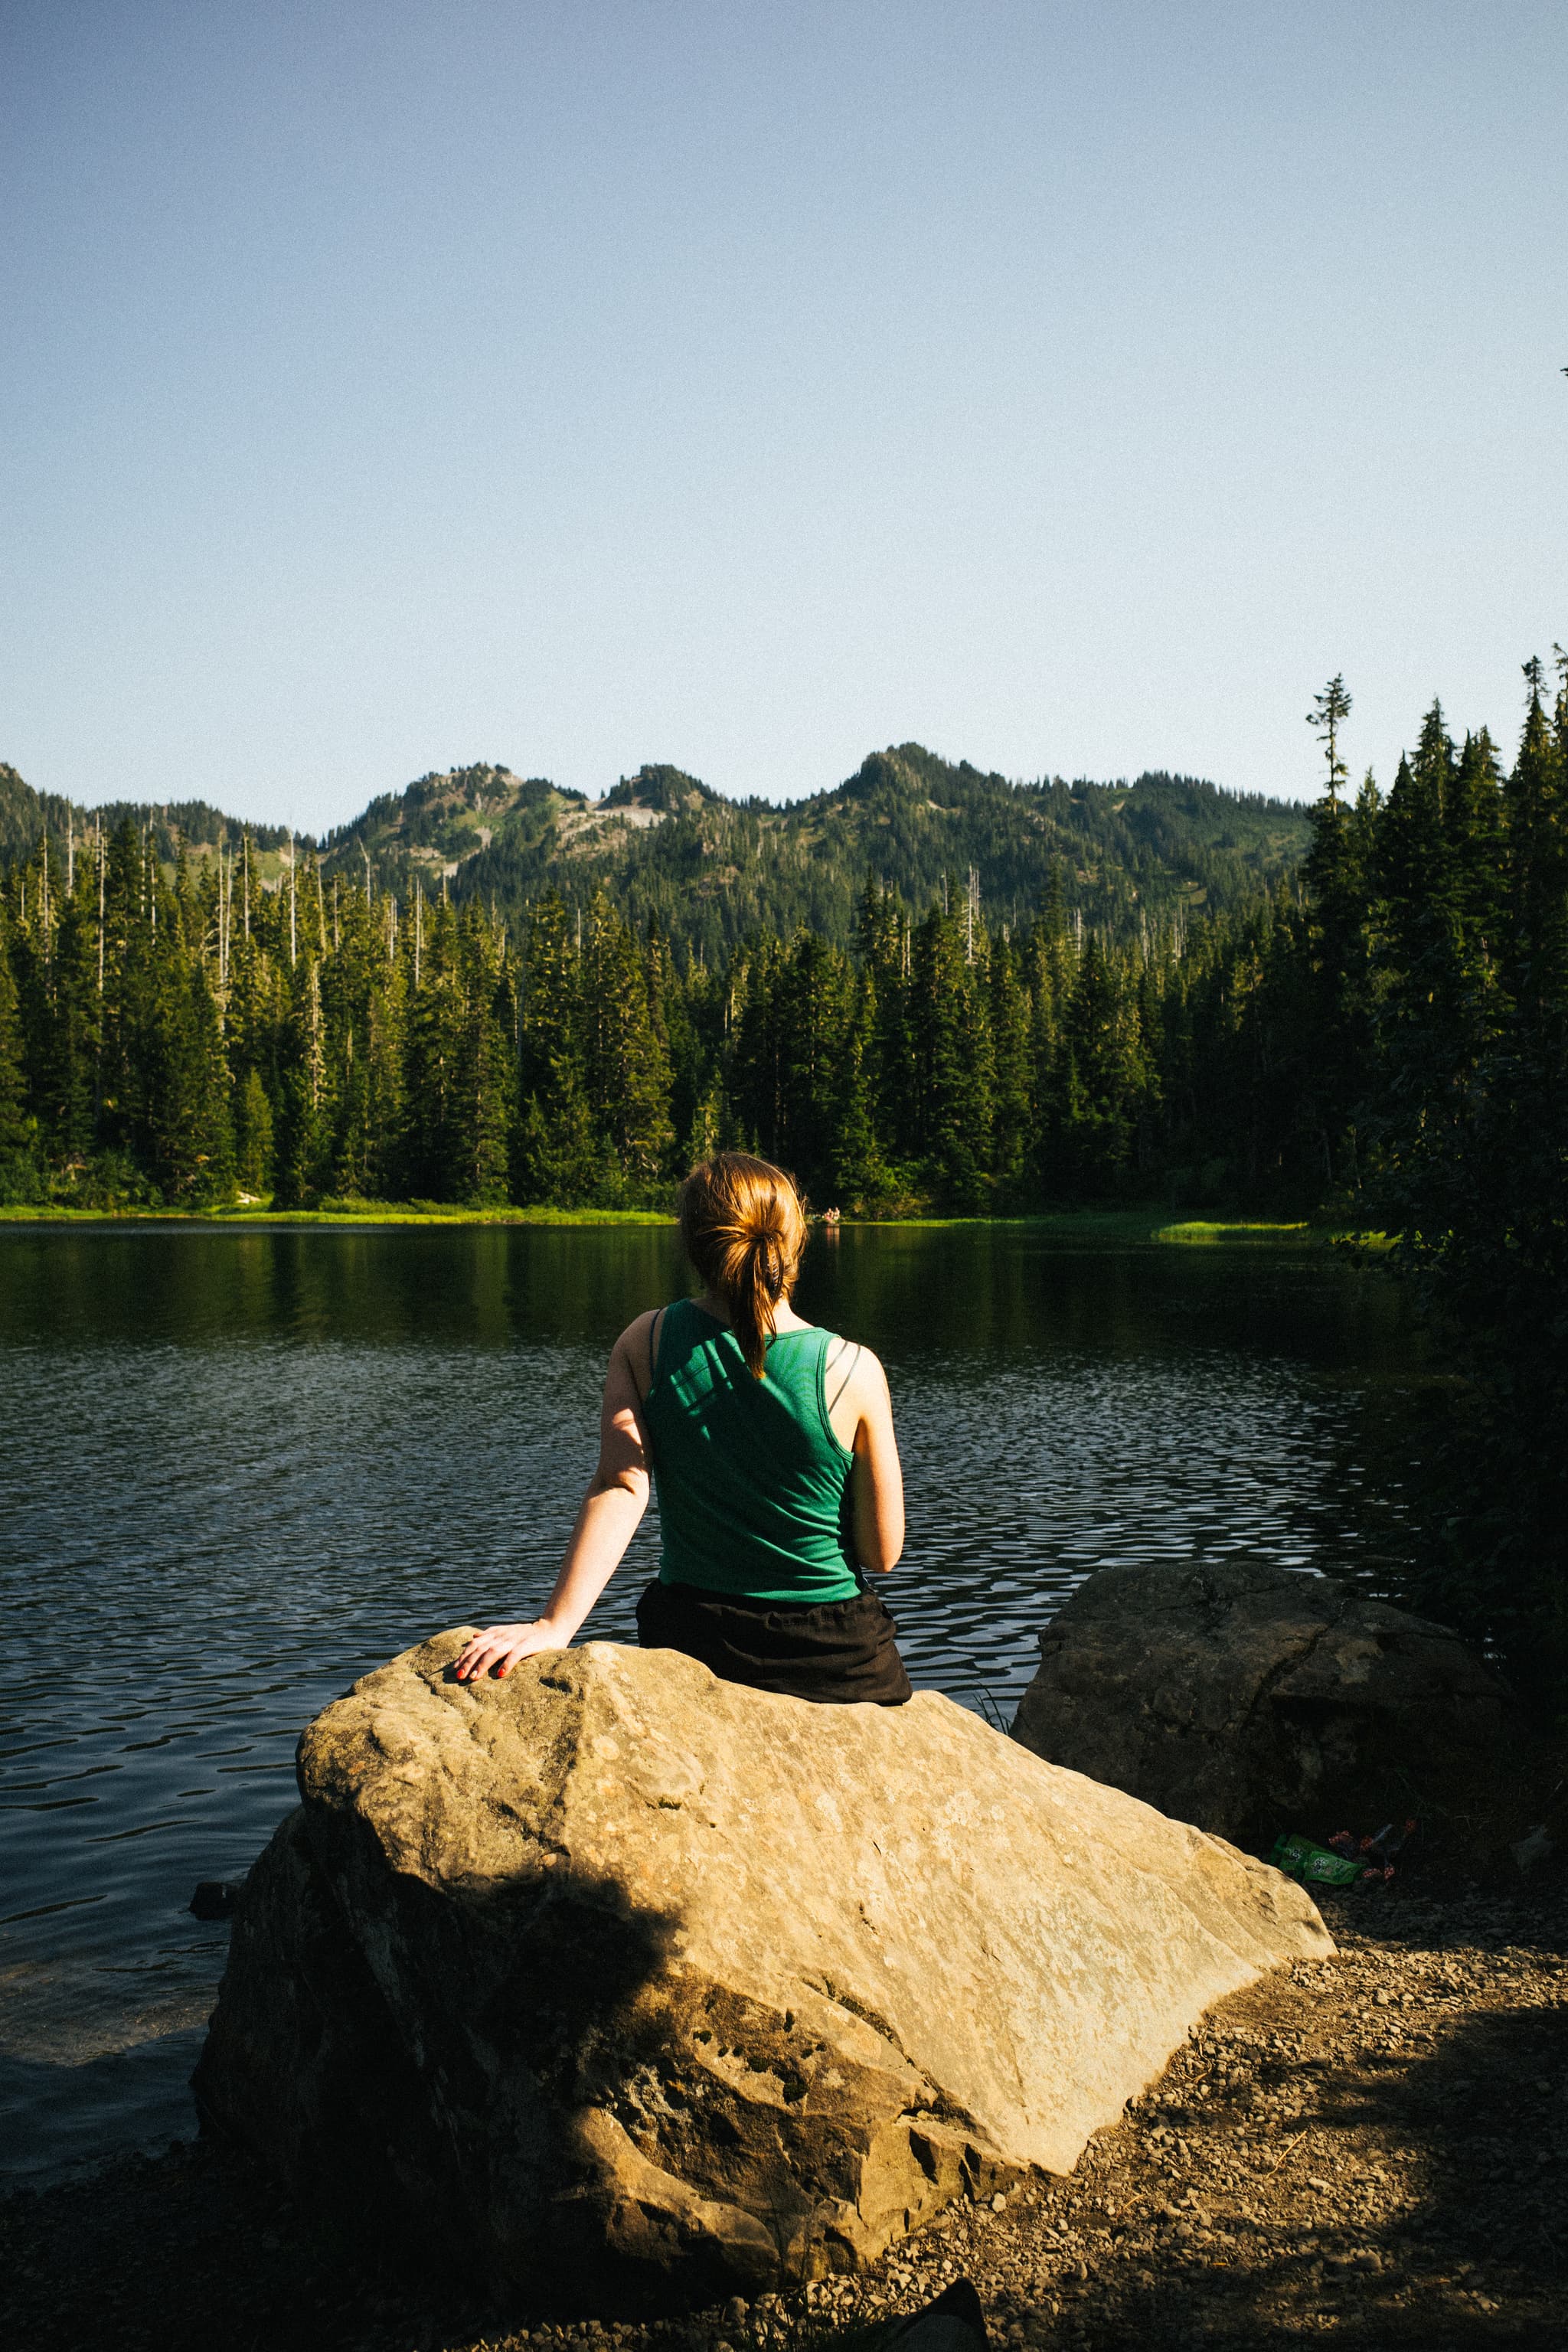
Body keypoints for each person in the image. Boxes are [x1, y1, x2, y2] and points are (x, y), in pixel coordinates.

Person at [453, 1152, 912, 1704]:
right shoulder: (853, 1367)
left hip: (696, 1641)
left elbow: (620, 1486)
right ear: (794, 1244)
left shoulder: (644, 1342)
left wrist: (554, 1627)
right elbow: (881, 1554)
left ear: (695, 1245)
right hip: (836, 1660)